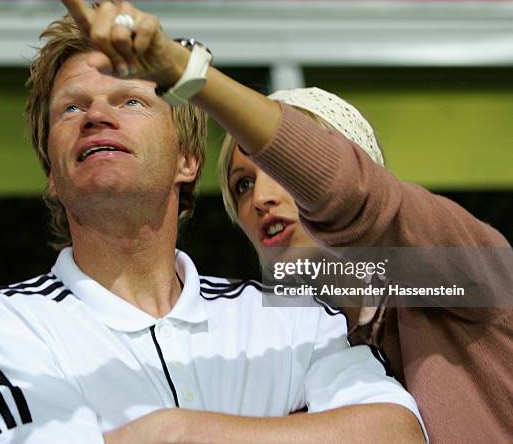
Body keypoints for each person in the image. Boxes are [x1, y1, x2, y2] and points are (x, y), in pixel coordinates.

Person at [0, 0, 426, 444]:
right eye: (71, 107)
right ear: (51, 175)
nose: (96, 115)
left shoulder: (290, 318)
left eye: (129, 100)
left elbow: (398, 432)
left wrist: (175, 431)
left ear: (188, 159)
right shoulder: (3, 326)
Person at [215, 88, 513, 442]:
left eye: (284, 169)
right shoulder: (272, 353)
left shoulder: (462, 273)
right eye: (243, 184)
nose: (260, 198)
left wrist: (195, 77)